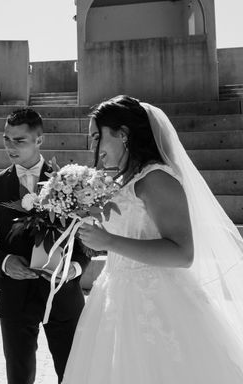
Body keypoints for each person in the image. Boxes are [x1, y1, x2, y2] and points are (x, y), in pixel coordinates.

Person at [62, 95, 243, 383]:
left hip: (156, 303)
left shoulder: (157, 179)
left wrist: (109, 242)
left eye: (97, 137)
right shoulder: (124, 181)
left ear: (123, 135)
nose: (93, 146)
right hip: (114, 296)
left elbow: (182, 254)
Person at [0, 107, 89, 384]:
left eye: (19, 140)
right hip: (15, 297)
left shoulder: (70, 182)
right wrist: (3, 262)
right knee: (19, 376)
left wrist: (72, 270)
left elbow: (86, 240)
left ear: (39, 140)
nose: (10, 146)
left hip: (61, 295)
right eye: (6, 139)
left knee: (72, 374)